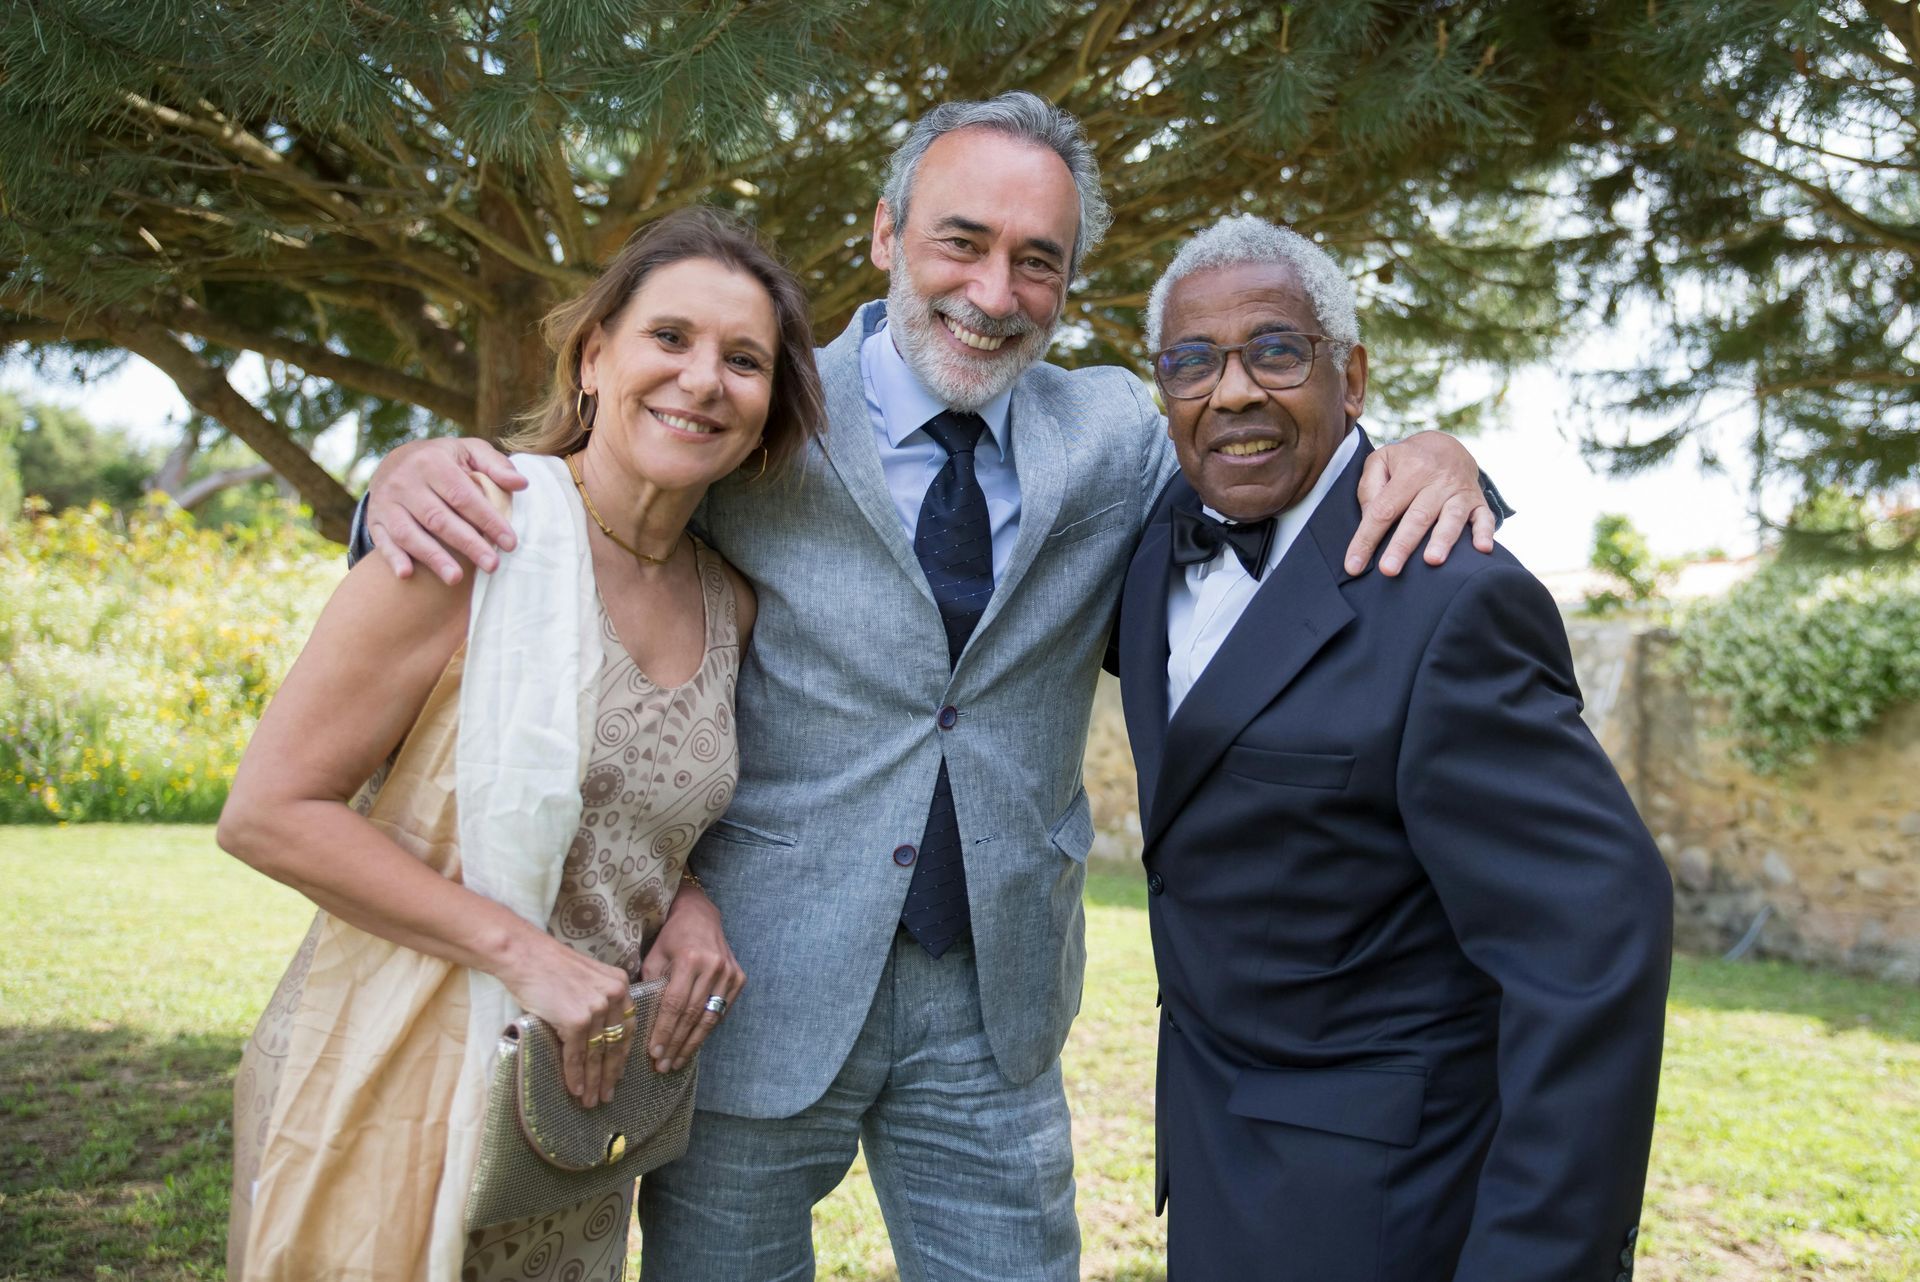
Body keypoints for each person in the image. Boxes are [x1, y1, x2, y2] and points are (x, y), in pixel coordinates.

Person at [355, 94, 1500, 1281]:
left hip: (996, 1003)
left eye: (1037, 262)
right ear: (885, 236)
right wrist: (402, 475)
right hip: (746, 982)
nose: (994, 293)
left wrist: (1437, 455)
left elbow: (1288, 456)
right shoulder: (757, 404)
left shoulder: (1116, 431)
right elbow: (584, 487)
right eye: (963, 241)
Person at [216, 208, 824, 1282]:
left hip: (566, 1128)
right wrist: (526, 954)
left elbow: (630, 811)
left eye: (744, 360)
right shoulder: (472, 538)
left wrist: (689, 901)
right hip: (396, 1081)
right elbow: (270, 812)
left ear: (769, 408)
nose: (702, 379)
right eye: (669, 338)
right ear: (595, 356)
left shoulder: (730, 604)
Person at [1112, 214, 1673, 1280]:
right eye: (1192, 362)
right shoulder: (1149, 564)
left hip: (1383, 1210)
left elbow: (1594, 949)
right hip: (1215, 1172)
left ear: (1353, 377)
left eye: (1275, 350)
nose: (1231, 390)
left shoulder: (1454, 605)